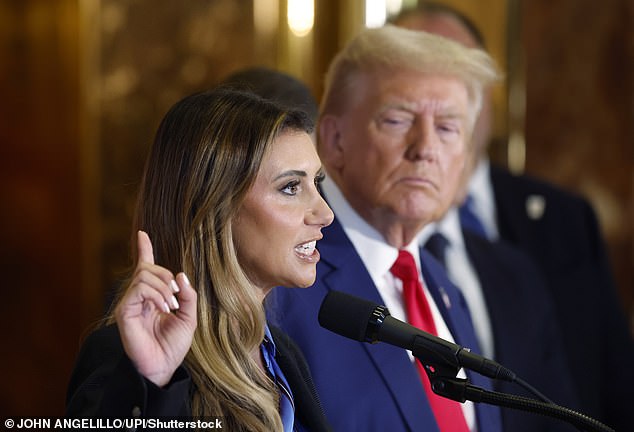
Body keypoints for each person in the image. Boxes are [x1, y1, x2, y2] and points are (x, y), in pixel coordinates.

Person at [392, 3, 634, 431]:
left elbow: (613, 383)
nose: (441, 99)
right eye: (417, 76)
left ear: (490, 91)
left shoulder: (566, 221)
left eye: (459, 75)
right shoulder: (338, 240)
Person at [270, 24, 508, 431]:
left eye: (448, 128)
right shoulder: (282, 284)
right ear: (335, 140)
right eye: (398, 120)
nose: (425, 148)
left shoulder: (444, 287)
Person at [65, 87, 334, 432]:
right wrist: (152, 384)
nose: (325, 213)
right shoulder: (126, 358)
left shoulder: (281, 353)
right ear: (214, 207)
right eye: (290, 188)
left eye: (316, 182)